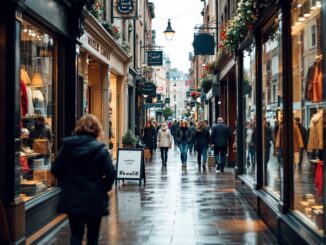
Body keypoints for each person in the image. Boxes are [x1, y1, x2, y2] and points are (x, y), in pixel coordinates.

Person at [51, 114, 115, 245]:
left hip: (72, 197)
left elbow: (55, 169)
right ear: (97, 129)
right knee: (93, 236)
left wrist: (67, 182)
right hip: (94, 198)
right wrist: (103, 187)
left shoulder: (67, 146)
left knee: (76, 234)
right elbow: (111, 173)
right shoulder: (100, 149)